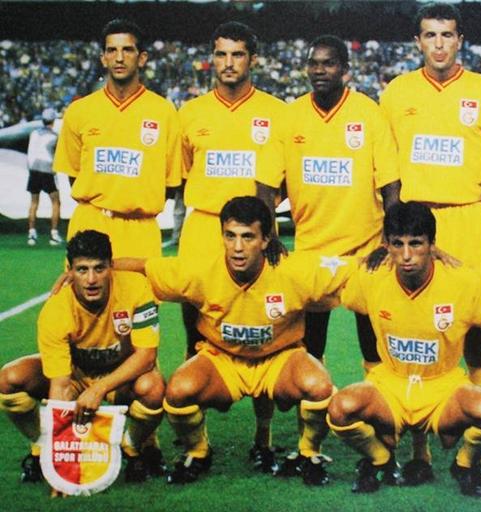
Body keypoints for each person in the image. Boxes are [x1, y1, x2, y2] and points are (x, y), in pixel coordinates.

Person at [113, 196, 354, 485]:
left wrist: (389, 258)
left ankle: (308, 453)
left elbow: (355, 268)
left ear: (265, 240)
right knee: (178, 391)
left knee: (319, 385)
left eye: (248, 237)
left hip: (278, 358)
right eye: (230, 236)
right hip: (223, 359)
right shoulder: (201, 270)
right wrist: (93, 268)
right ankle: (198, 452)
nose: (238, 247)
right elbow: (143, 266)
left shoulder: (294, 268)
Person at [379, 1, 481, 474]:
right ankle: (420, 452)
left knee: (475, 336)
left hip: (468, 220)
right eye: (430, 35)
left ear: (460, 40)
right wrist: (394, 228)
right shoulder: (396, 92)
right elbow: (387, 167)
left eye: (447, 35)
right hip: (415, 226)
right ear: (418, 41)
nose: (439, 44)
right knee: (415, 331)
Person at [328, 202, 481, 497]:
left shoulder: (461, 282)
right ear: (386, 245)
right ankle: (380, 460)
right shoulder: (371, 277)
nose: (407, 255)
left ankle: (463, 465)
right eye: (397, 244)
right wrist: (362, 261)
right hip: (391, 385)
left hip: (442, 387)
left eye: (416, 244)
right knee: (340, 408)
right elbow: (337, 284)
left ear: (433, 245)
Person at [177, 23, 288, 470]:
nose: (228, 63)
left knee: (264, 336)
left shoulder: (277, 113)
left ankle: (263, 438)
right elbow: (184, 174)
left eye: (237, 54)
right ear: (212, 58)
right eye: (221, 54)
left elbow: (284, 179)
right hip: (203, 228)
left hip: (255, 235)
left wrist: (267, 227)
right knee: (194, 336)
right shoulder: (190, 113)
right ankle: (195, 441)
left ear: (252, 59)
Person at [258, 34, 399, 369]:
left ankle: (377, 400)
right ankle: (316, 403)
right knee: (310, 346)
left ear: (345, 70)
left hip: (365, 251)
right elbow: (265, 185)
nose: (319, 70)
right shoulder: (290, 117)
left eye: (329, 63)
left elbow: (392, 186)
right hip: (311, 251)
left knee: (374, 347)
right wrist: (270, 235)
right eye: (313, 63)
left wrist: (388, 242)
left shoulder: (369, 113)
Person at [0, 230, 165, 484]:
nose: (91, 279)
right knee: (9, 379)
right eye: (82, 269)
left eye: (99, 268)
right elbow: (60, 384)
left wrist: (99, 388)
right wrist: (59, 456)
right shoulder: (55, 310)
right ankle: (42, 445)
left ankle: (131, 447)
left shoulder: (136, 288)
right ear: (69, 270)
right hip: (75, 375)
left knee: (153, 388)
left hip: (119, 377)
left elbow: (146, 357)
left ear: (111, 266)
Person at [52, 18, 181, 259]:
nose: (119, 58)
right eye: (112, 50)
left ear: (142, 58)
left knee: (143, 287)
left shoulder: (164, 112)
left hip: (141, 229)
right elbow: (73, 174)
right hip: (90, 223)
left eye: (127, 50)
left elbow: (170, 183)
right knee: (85, 284)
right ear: (103, 58)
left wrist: (134, 207)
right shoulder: (79, 111)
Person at [26, 107, 63, 247]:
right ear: (53, 121)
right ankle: (54, 235)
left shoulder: (34, 133)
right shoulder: (55, 136)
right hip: (47, 170)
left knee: (34, 202)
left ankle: (31, 234)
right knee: (56, 202)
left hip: (34, 170)